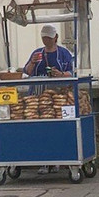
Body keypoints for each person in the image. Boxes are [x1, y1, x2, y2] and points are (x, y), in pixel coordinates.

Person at [23, 24, 75, 174]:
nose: (46, 41)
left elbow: (71, 73)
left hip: (59, 95)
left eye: (49, 38)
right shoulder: (37, 54)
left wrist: (60, 74)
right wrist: (32, 62)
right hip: (38, 96)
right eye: (44, 38)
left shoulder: (64, 54)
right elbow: (27, 72)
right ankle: (44, 161)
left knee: (57, 128)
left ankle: (58, 159)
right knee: (41, 128)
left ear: (56, 38)